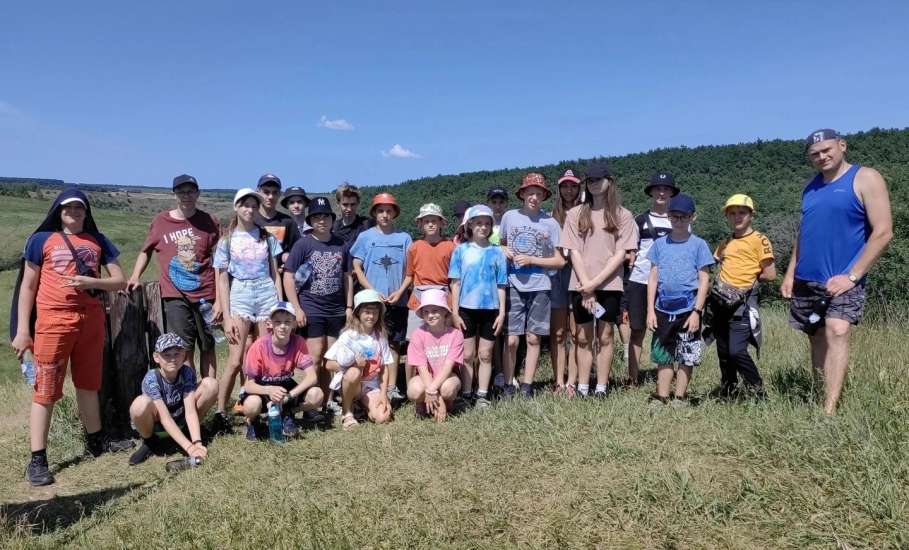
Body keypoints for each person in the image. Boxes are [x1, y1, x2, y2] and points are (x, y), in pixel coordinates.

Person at [10, 189, 127, 486]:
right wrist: (23, 330)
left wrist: (92, 281)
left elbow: (119, 280)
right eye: (68, 208)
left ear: (87, 212)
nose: (74, 212)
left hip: (90, 321)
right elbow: (27, 287)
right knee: (46, 389)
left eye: (79, 208)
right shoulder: (40, 241)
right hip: (53, 321)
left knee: (89, 384)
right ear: (58, 211)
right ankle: (38, 459)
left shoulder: (98, 241)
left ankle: (96, 442)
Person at [780, 129, 893, 415]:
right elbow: (805, 233)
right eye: (815, 154)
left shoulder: (866, 177)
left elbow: (883, 232)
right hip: (808, 276)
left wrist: (852, 276)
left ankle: (829, 412)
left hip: (845, 277)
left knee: (837, 330)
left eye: (827, 149)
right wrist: (791, 272)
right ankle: (821, 396)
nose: (822, 156)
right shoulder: (810, 187)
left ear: (842, 146)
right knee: (816, 335)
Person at [127, 174, 221, 378]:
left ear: (197, 193)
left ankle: (209, 392)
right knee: (183, 349)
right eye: (181, 191)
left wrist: (220, 300)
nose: (186, 195)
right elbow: (146, 250)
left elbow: (220, 259)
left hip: (206, 295)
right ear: (175, 194)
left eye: (190, 191)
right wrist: (135, 275)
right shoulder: (161, 221)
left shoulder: (209, 222)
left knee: (208, 346)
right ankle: (190, 396)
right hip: (175, 295)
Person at [559, 162, 638, 398]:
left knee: (605, 335)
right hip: (580, 285)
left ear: (609, 182)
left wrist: (595, 284)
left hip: (610, 285)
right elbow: (573, 251)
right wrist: (587, 287)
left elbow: (621, 254)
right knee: (582, 337)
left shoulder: (623, 215)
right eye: (589, 181)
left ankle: (601, 387)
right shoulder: (575, 214)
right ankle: (583, 386)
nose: (593, 184)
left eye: (598, 180)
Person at [212, 188, 283, 429]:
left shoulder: (267, 237)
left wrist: (280, 307)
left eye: (253, 205)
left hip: (265, 294)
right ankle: (221, 411)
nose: (249, 210)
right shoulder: (227, 240)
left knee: (265, 356)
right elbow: (222, 279)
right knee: (234, 360)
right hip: (240, 294)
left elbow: (275, 274)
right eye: (245, 205)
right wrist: (228, 315)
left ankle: (259, 406)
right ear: (236, 207)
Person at [283, 196, 353, 415]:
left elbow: (347, 277)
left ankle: (322, 404)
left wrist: (349, 306)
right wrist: (297, 308)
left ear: (332, 219)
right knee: (313, 358)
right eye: (316, 216)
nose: (321, 220)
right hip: (311, 307)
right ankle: (309, 405)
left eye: (325, 216)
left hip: (336, 309)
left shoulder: (341, 244)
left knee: (328, 358)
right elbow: (288, 276)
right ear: (310, 219)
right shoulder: (303, 243)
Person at [499, 173, 565, 398]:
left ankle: (527, 385)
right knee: (511, 338)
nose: (534, 197)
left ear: (544, 196)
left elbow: (559, 261)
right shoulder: (509, 217)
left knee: (534, 337)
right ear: (522, 194)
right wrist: (503, 250)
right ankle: (508, 384)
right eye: (530, 193)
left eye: (538, 193)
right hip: (513, 283)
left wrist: (532, 260)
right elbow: (500, 244)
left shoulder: (551, 223)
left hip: (540, 284)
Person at [646, 194, 713, 407]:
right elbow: (653, 278)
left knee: (687, 355)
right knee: (663, 354)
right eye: (674, 216)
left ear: (692, 217)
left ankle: (680, 397)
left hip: (688, 309)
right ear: (668, 217)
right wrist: (650, 310)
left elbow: (704, 280)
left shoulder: (699, 245)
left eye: (684, 217)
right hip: (663, 309)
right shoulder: (658, 244)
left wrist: (697, 311)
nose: (679, 220)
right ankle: (662, 396)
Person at [709, 194, 776, 398]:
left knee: (736, 351)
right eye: (732, 213)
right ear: (727, 217)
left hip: (743, 304)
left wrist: (747, 284)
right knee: (722, 351)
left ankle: (758, 391)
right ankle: (728, 389)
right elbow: (715, 264)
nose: (737, 217)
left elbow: (770, 274)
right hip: (720, 302)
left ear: (751, 215)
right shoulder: (725, 242)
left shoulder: (760, 240)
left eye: (742, 213)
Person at [350, 193, 412, 402]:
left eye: (389, 211)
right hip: (371, 301)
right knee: (370, 342)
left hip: (397, 300)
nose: (385, 215)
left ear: (395, 213)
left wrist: (401, 291)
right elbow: (356, 266)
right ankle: (370, 384)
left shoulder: (404, 238)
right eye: (380, 211)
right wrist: (371, 291)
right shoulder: (365, 236)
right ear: (374, 213)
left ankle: (392, 386)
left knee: (393, 343)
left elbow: (411, 270)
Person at [128, 333, 218, 465]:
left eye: (177, 354)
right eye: (167, 355)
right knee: (139, 405)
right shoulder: (151, 379)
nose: (172, 359)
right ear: (156, 357)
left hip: (180, 416)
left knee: (211, 384)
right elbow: (164, 417)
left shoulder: (187, 373)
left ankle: (189, 432)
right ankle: (150, 442)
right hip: (160, 422)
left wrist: (197, 443)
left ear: (184, 355)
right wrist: (190, 448)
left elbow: (190, 410)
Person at [449, 205, 507, 407]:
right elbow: (455, 283)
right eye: (479, 223)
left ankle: (482, 394)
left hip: (490, 310)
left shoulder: (497, 252)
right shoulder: (460, 250)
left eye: (487, 223)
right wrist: (455, 312)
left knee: (485, 354)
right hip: (466, 309)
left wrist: (502, 312)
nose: (483, 227)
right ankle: (466, 393)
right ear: (470, 225)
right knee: (467, 355)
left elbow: (501, 284)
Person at [625, 172, 678, 386]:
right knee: (637, 331)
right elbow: (630, 251)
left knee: (666, 332)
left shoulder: (679, 219)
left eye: (666, 189)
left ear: (672, 193)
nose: (662, 192)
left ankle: (666, 377)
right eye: (657, 188)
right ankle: (632, 379)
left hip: (668, 284)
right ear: (651, 192)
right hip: (640, 280)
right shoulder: (639, 220)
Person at [240, 302, 323, 440]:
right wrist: (269, 390)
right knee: (251, 405)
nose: (282, 326)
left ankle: (287, 413)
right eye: (277, 322)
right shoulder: (258, 346)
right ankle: (252, 421)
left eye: (287, 322)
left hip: (285, 388)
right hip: (262, 388)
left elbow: (312, 377)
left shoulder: (298, 342)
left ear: (294, 324)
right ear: (269, 324)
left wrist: (288, 397)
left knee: (317, 394)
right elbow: (248, 385)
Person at [324, 289, 395, 429]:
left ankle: (362, 406)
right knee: (353, 373)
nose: (371, 316)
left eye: (375, 312)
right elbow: (328, 365)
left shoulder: (380, 336)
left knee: (383, 417)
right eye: (367, 312)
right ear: (358, 313)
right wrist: (352, 364)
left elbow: (384, 368)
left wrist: (383, 394)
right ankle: (347, 412)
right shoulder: (348, 336)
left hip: (371, 386)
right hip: (352, 384)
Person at [406, 289, 464, 422]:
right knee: (414, 390)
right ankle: (424, 403)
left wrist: (433, 391)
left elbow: (448, 367)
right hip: (425, 377)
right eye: (426, 312)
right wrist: (433, 392)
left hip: (447, 377)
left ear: (445, 312)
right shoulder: (418, 335)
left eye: (435, 311)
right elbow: (422, 368)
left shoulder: (456, 335)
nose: (430, 315)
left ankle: (446, 402)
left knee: (448, 389)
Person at [550, 169, 582, 396]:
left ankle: (573, 381)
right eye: (564, 186)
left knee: (577, 332)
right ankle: (558, 380)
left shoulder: (586, 212)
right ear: (559, 189)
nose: (568, 190)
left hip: (579, 273)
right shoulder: (553, 215)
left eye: (572, 186)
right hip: (558, 274)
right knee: (558, 333)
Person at [404, 203, 455, 345]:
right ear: (420, 224)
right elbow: (409, 275)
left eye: (434, 221)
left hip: (443, 294)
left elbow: (454, 280)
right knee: (415, 341)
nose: (431, 224)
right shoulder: (414, 247)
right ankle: (414, 368)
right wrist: (400, 291)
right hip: (419, 295)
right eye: (426, 221)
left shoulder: (450, 247)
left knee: (444, 340)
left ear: (441, 223)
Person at [254, 173, 298, 265]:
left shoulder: (288, 222)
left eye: (275, 192)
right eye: (266, 192)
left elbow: (297, 251)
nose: (270, 197)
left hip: (280, 275)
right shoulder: (250, 220)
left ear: (279, 194)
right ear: (257, 192)